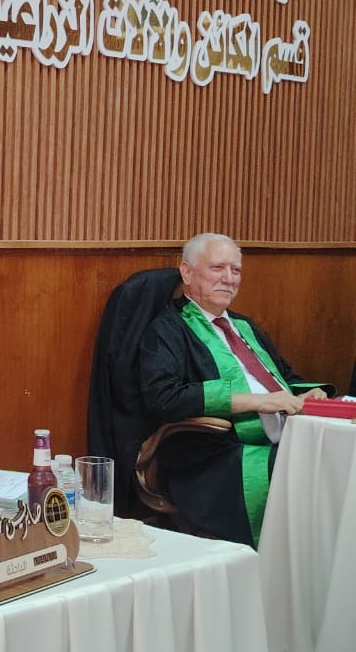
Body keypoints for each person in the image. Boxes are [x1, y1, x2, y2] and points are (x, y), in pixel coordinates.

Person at [138, 232, 326, 546]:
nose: (229, 278)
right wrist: (255, 402)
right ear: (187, 272)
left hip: (286, 436)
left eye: (235, 270)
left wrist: (307, 394)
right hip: (214, 457)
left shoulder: (244, 326)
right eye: (217, 268)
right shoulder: (167, 329)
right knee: (301, 468)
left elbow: (285, 377)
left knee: (334, 457)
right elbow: (163, 398)